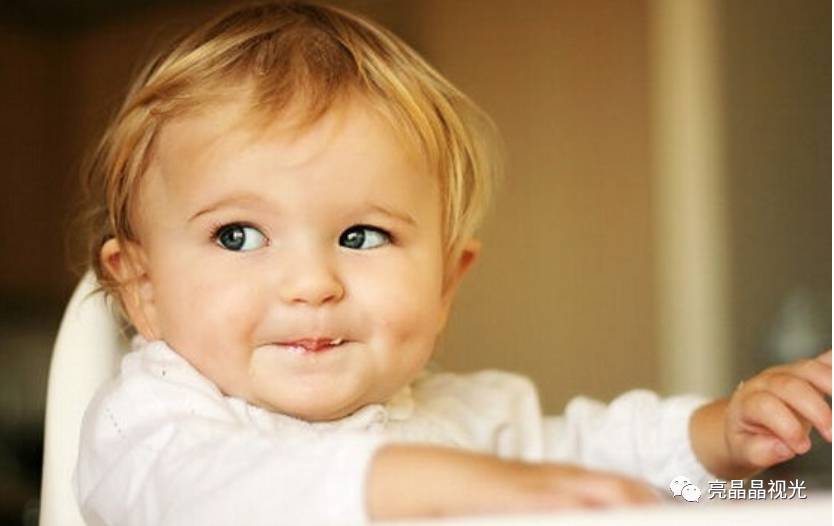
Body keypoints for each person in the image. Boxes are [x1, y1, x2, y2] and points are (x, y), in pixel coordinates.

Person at [73, 2, 832, 524]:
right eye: (238, 235)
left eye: (361, 236)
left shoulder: (466, 418)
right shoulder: (148, 424)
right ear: (143, 289)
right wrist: (451, 485)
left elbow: (591, 467)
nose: (311, 285)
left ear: (446, 283)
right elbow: (212, 495)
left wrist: (720, 435)